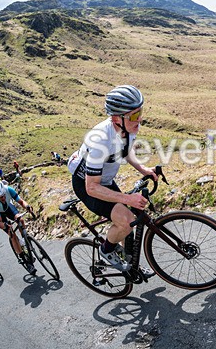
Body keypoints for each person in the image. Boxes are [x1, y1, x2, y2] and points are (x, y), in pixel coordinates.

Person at [67, 85, 157, 273]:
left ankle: (130, 263)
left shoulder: (129, 127)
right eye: (133, 115)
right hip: (88, 185)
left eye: (140, 112)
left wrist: (142, 169)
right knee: (126, 219)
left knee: (129, 219)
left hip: (104, 181)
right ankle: (106, 250)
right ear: (116, 118)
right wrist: (126, 198)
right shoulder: (100, 139)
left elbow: (125, 149)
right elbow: (92, 188)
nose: (139, 118)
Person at [0, 180, 35, 275]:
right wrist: (5, 225)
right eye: (0, 197)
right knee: (11, 233)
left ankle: (25, 241)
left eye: (3, 195)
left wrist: (28, 207)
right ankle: (24, 259)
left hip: (8, 207)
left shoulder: (8, 189)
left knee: (20, 220)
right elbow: (0, 222)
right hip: (0, 214)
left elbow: (21, 201)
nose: (3, 198)